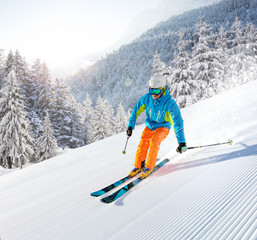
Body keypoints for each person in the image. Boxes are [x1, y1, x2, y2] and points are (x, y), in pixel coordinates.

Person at [127, 74, 187, 178]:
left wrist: (181, 142)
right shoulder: (147, 98)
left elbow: (177, 121)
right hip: (150, 125)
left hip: (163, 126)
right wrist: (130, 126)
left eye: (156, 91)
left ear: (163, 89)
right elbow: (136, 111)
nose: (153, 94)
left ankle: (149, 167)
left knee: (154, 141)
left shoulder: (169, 103)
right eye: (151, 90)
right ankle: (139, 165)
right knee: (143, 142)